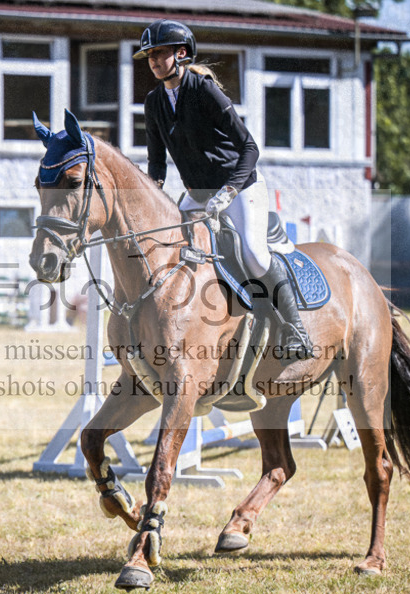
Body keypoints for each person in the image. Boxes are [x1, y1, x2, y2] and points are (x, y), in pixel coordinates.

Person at [134, 19, 313, 361]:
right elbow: (157, 164)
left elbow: (249, 147)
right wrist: (151, 193)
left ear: (181, 53)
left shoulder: (203, 89)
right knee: (166, 245)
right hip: (199, 193)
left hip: (240, 186)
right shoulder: (154, 102)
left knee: (253, 254)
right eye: (149, 56)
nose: (154, 61)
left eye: (160, 53)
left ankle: (296, 330)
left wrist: (230, 190)